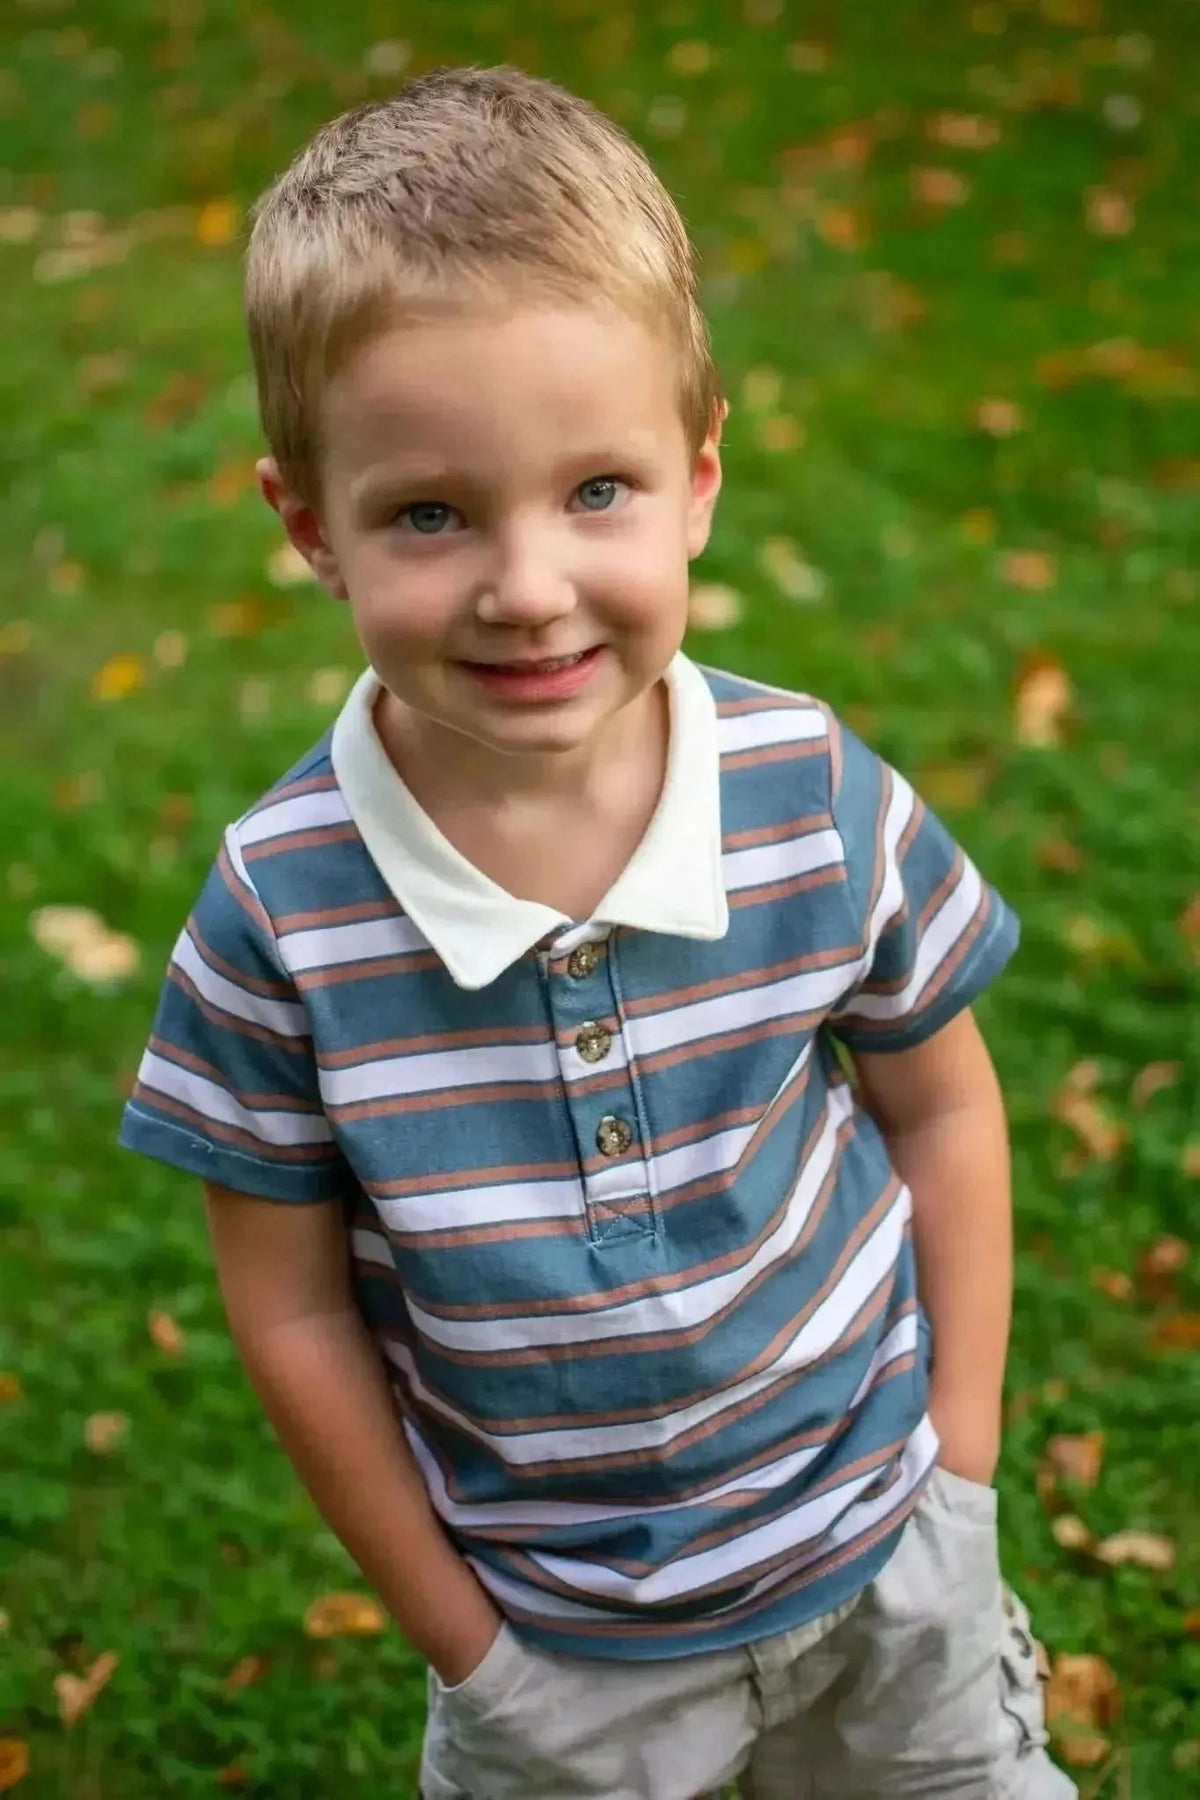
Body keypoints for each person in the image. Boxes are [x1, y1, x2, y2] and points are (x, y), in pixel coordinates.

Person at [119, 65, 1076, 1800]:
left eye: (599, 491)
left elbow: (941, 1103)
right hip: (555, 1645)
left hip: (889, 1558)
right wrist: (469, 1651)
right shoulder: (280, 917)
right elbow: (292, 1312)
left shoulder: (810, 790)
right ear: (304, 525)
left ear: (700, 476)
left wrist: (959, 1471)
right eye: (430, 511)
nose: (529, 585)